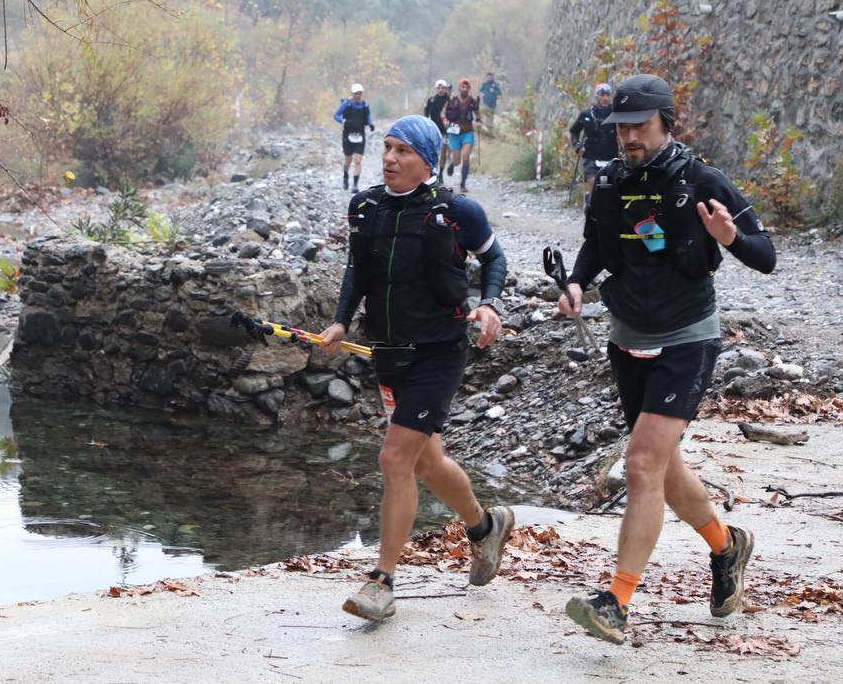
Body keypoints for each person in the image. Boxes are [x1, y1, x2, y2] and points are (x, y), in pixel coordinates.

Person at [559, 74, 776, 645]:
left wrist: (729, 239)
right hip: (627, 333)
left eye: (638, 127)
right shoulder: (607, 183)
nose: (627, 137)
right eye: (621, 128)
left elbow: (767, 257)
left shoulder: (702, 180)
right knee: (662, 466)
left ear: (665, 124)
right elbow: (592, 245)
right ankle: (728, 547)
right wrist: (577, 284)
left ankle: (617, 600)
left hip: (687, 336)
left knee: (640, 464)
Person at [320, 114, 514, 622]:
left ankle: (382, 580)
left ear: (427, 160)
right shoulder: (365, 208)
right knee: (426, 461)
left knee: (394, 459)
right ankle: (483, 527)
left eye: (402, 151)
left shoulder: (455, 212)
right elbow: (357, 271)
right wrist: (341, 322)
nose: (389, 158)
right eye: (386, 148)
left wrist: (490, 304)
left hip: (438, 351)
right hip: (389, 352)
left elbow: (495, 259)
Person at [568, 82, 618, 206]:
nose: (605, 98)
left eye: (608, 95)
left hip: (611, 155)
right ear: (597, 97)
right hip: (591, 156)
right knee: (594, 184)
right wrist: (578, 146)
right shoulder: (586, 115)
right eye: (602, 95)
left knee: (611, 188)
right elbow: (574, 131)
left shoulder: (616, 114)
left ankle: (606, 212)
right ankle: (592, 206)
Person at [333, 82, 375, 191]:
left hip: (360, 135)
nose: (358, 96)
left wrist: (370, 124)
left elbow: (368, 115)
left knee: (357, 160)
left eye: (360, 94)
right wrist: (343, 121)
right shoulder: (346, 104)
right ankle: (345, 176)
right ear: (352, 94)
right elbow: (336, 115)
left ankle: (355, 185)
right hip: (347, 136)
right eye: (356, 94)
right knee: (348, 160)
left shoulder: (365, 105)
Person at [442, 78, 479, 192]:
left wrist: (479, 121)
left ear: (469, 89)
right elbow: (443, 113)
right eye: (463, 87)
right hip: (454, 132)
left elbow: (477, 113)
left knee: (466, 157)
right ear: (459, 88)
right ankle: (452, 164)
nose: (465, 89)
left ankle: (462, 184)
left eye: (467, 87)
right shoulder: (452, 100)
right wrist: (445, 121)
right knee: (457, 161)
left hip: (468, 131)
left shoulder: (473, 101)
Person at [423, 79, 451, 181]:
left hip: (446, 130)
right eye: (438, 88)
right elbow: (426, 114)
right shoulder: (431, 100)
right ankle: (433, 172)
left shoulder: (450, 100)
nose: (440, 89)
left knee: (444, 151)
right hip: (434, 129)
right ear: (436, 89)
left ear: (445, 89)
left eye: (442, 87)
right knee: (434, 151)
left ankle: (441, 173)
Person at [478, 72, 503, 136]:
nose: (489, 78)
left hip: (492, 105)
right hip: (484, 104)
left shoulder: (495, 85)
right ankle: (479, 127)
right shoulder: (484, 84)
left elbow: (499, 94)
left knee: (490, 120)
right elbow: (480, 91)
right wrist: (481, 94)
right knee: (480, 114)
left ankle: (490, 133)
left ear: (492, 77)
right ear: (486, 77)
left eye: (490, 77)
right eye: (488, 77)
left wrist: (494, 91)